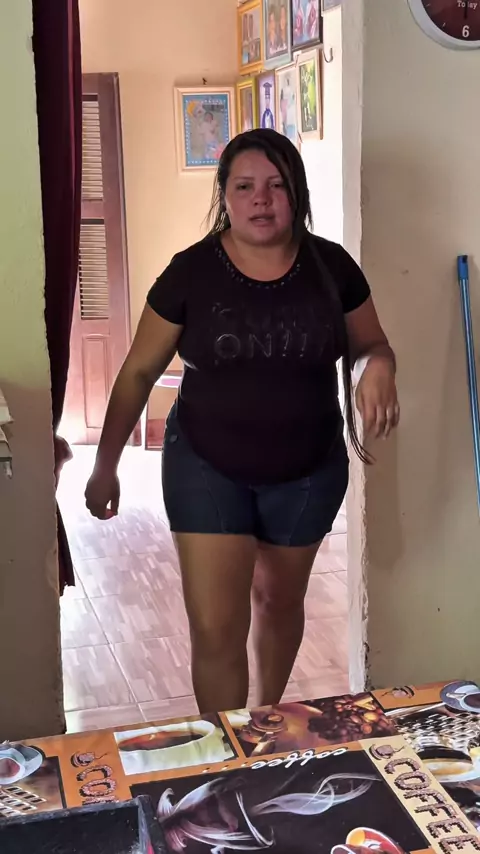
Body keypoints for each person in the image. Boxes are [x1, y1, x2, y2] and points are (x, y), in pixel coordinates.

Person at [85, 129, 399, 715]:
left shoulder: (332, 268)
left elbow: (370, 345)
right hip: (205, 464)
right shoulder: (190, 273)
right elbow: (137, 373)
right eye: (245, 186)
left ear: (297, 193)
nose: (261, 199)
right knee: (216, 625)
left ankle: (262, 727)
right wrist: (105, 467)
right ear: (224, 195)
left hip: (308, 471)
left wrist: (377, 365)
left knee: (278, 603)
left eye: (277, 186)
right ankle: (225, 746)